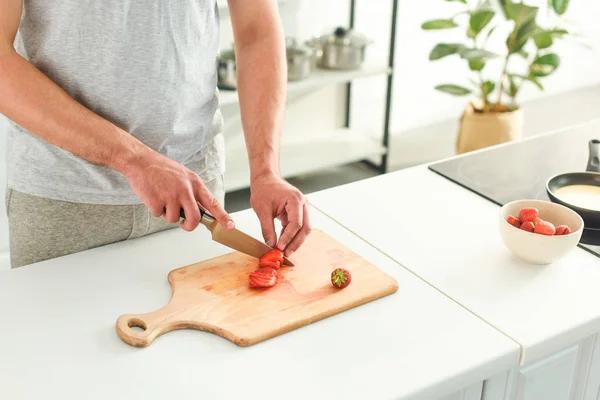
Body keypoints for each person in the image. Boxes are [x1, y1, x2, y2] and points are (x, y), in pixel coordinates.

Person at [0, 0, 311, 268]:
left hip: (196, 199)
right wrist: (135, 159)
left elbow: (256, 29)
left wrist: (266, 171)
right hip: (63, 201)